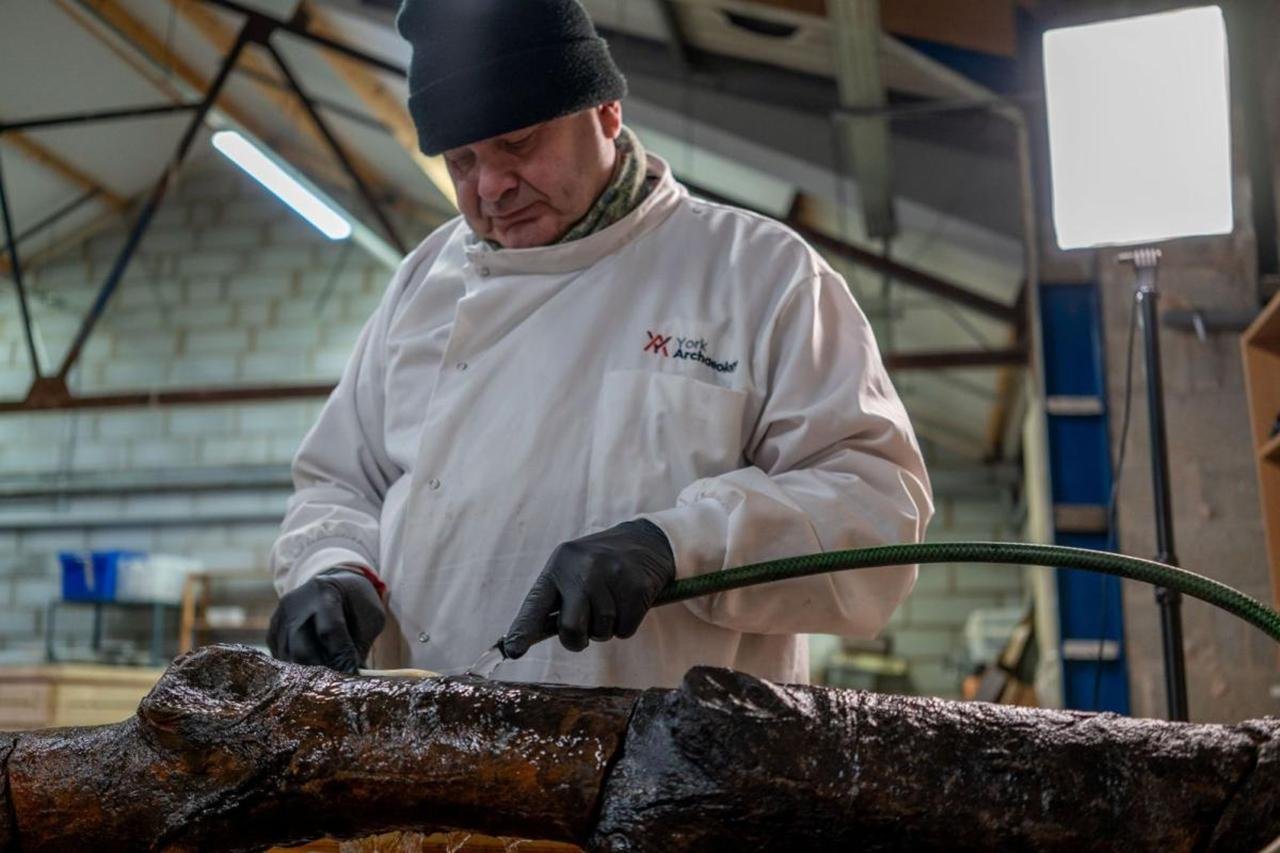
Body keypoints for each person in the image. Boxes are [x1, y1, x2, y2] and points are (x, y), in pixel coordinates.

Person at [266, 0, 933, 689]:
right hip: (424, 757)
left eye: (519, 143)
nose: (491, 187)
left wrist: (677, 545)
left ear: (607, 112)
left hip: (673, 770)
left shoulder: (756, 274)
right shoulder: (422, 285)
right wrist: (335, 568)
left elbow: (875, 508)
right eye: (461, 161)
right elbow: (341, 481)